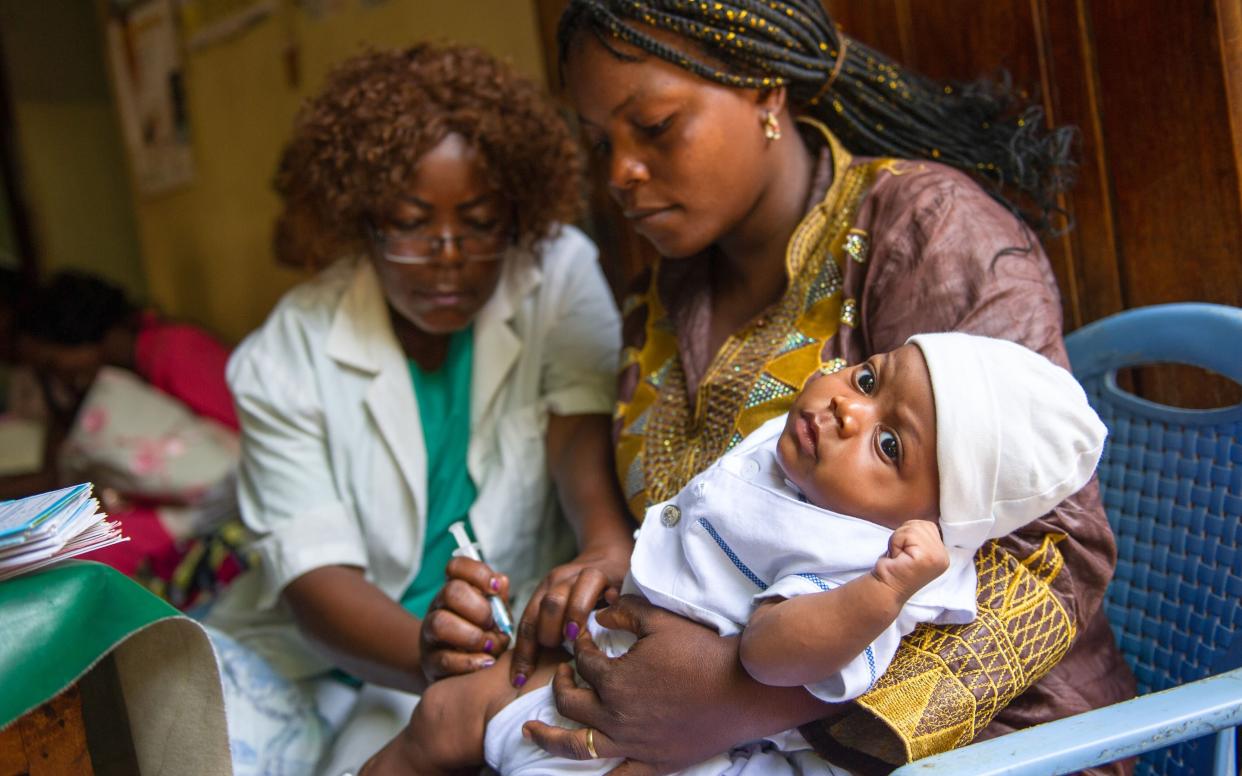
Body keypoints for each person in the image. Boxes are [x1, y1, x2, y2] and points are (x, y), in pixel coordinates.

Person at [423, 2, 1137, 773]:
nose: (619, 173)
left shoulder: (924, 230)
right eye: (600, 141)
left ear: (764, 89)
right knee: (449, 723)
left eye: (655, 126)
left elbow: (1059, 554)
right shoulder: (662, 297)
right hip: (700, 739)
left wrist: (734, 701)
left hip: (992, 742)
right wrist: (593, 581)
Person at [362, 332, 1108, 775]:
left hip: (682, 747)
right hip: (604, 659)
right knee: (439, 716)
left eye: (889, 443)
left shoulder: (864, 560)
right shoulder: (801, 466)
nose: (848, 408)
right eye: (869, 377)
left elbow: (774, 655)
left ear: (930, 521)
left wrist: (881, 592)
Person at [203, 43, 630, 775]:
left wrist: (604, 543)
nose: (448, 256)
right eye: (407, 224)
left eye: (479, 222)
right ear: (363, 220)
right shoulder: (286, 354)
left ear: (518, 214)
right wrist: (428, 651)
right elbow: (314, 580)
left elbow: (577, 440)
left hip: (492, 643)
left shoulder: (555, 273)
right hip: (334, 650)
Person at [11, 270, 243, 605]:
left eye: (53, 362)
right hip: (177, 505)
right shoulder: (121, 374)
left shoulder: (175, 351)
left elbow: (235, 442)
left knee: (82, 561)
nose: (58, 375)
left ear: (81, 335)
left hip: (220, 501)